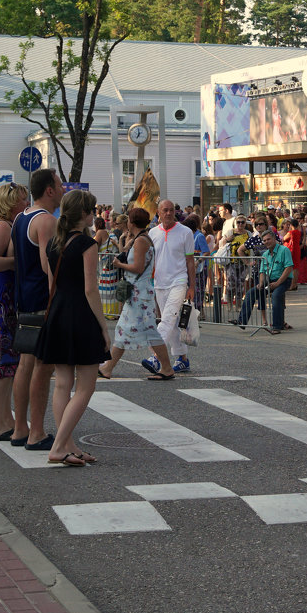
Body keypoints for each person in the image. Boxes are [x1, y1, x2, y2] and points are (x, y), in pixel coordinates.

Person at [34, 190, 108, 466]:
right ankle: (58, 446)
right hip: (80, 315)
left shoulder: (54, 242)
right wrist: (103, 326)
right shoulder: (88, 244)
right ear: (86, 214)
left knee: (63, 383)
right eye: (92, 210)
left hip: (57, 313)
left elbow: (52, 279)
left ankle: (68, 445)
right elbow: (91, 289)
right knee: (85, 387)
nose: (94, 214)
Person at [12, 168, 64, 451]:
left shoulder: (21, 218)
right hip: (42, 299)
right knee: (42, 368)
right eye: (59, 184)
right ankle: (37, 432)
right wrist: (58, 299)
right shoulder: (46, 221)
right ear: (49, 190)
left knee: (25, 365)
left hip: (24, 297)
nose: (63, 188)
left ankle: (21, 429)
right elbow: (48, 264)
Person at [100, 207, 175, 380]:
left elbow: (138, 267)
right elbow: (130, 257)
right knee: (133, 329)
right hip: (137, 292)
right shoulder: (139, 239)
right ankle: (109, 367)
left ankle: (109, 367)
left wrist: (120, 265)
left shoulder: (141, 241)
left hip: (139, 293)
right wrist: (125, 244)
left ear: (130, 222)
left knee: (135, 329)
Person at [0, 182, 29, 441]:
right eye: (22, 199)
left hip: (3, 297)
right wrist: (21, 260)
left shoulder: (6, 225)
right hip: (0, 297)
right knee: (0, 362)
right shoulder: (2, 226)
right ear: (11, 202)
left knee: (7, 362)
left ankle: (3, 418)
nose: (25, 203)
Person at [146, 199, 196, 374]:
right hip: (160, 283)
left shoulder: (185, 232)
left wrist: (192, 286)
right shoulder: (152, 233)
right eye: (165, 210)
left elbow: (190, 261)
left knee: (167, 319)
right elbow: (151, 261)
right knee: (172, 324)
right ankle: (182, 358)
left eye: (171, 210)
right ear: (159, 213)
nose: (168, 213)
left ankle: (155, 356)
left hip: (179, 281)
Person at [233, 228, 294, 334]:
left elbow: (288, 268)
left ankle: (277, 326)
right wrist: (260, 284)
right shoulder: (265, 254)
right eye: (264, 241)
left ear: (274, 239)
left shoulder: (284, 250)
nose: (266, 242)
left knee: (276, 295)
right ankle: (242, 321)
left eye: (268, 239)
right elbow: (262, 271)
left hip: (283, 280)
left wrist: (277, 283)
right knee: (250, 293)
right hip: (269, 280)